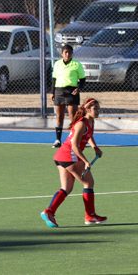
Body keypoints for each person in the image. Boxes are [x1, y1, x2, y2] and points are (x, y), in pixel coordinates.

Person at [41, 97, 106, 228]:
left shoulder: (90, 122)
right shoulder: (81, 123)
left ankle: (49, 212)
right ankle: (90, 216)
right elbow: (75, 146)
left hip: (61, 156)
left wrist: (95, 147)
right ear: (87, 109)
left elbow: (88, 136)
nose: (98, 111)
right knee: (88, 182)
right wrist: (86, 161)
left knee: (67, 188)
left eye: (99, 108)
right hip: (69, 155)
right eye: (95, 109)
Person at [50, 44, 86, 148]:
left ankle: (75, 139)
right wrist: (52, 92)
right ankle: (58, 140)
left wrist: (78, 89)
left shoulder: (77, 64)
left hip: (71, 92)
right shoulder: (57, 64)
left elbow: (83, 79)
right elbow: (54, 79)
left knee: (72, 116)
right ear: (62, 54)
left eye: (69, 52)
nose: (67, 54)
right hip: (59, 91)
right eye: (65, 52)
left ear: (72, 54)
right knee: (59, 116)